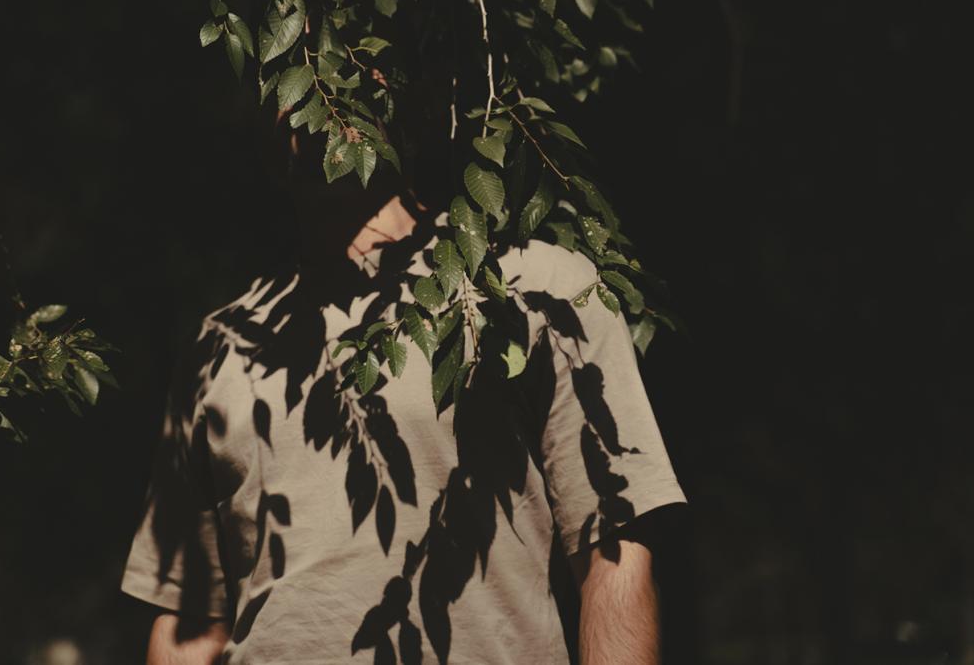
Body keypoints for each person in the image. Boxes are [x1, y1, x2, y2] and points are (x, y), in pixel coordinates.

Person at [120, 126, 688, 664]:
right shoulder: (221, 345)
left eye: (340, 55)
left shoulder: (534, 289)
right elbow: (189, 620)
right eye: (277, 72)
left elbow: (614, 555)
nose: (305, 98)